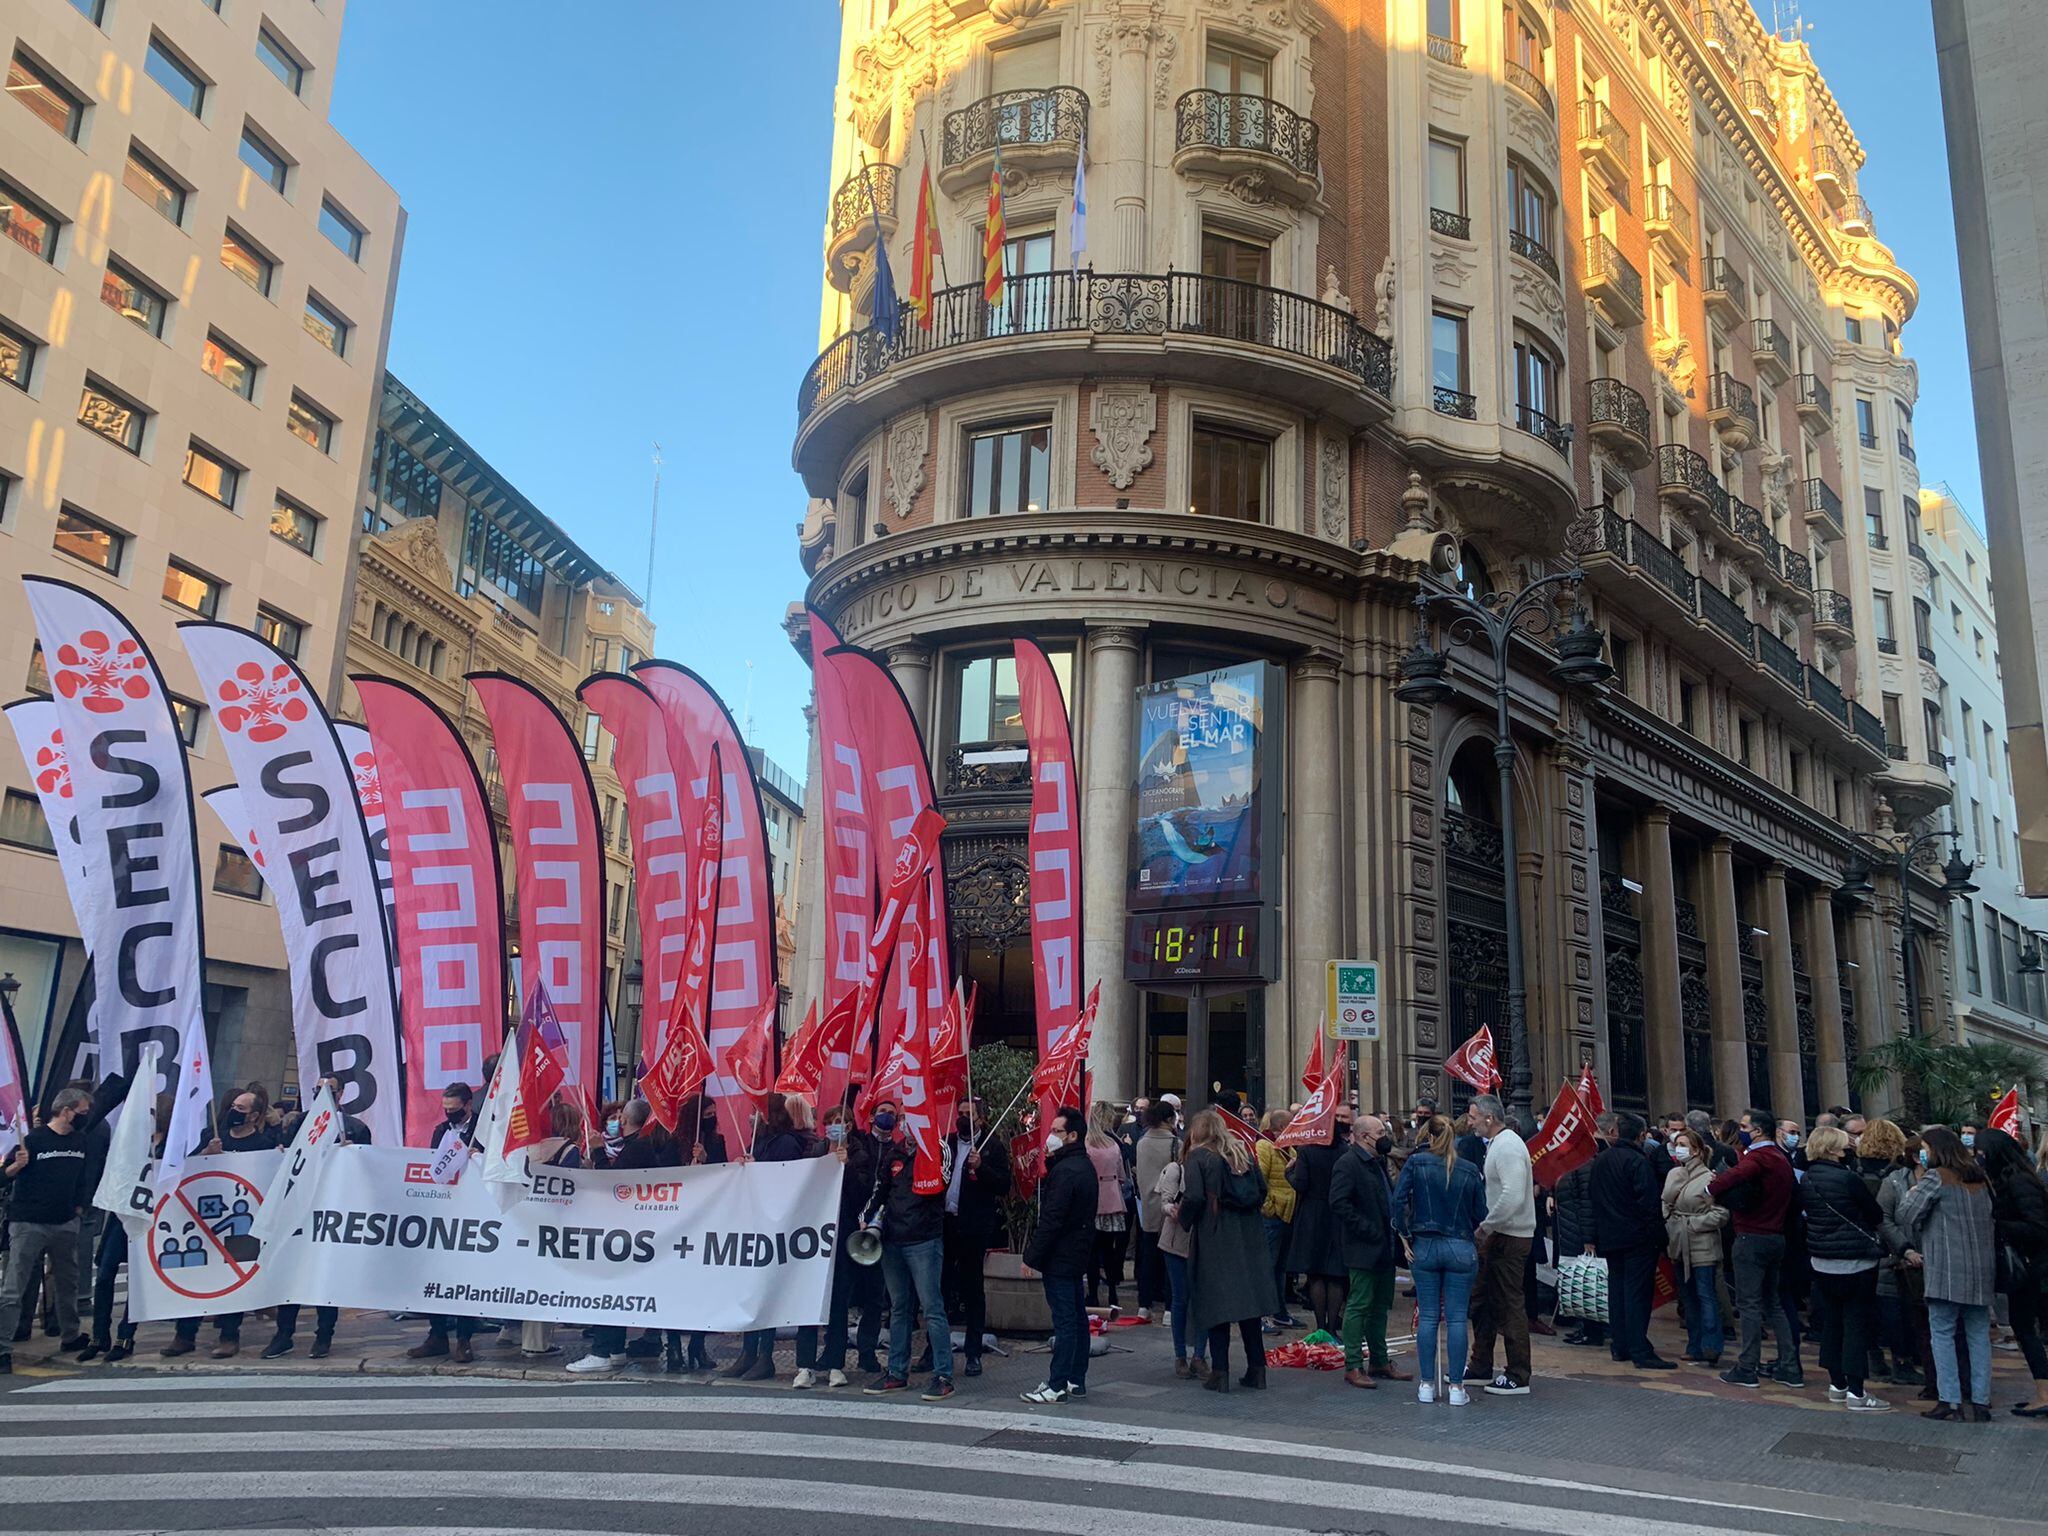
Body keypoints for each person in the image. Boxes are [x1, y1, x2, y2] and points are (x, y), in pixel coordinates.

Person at [161, 1087, 279, 1360]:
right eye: (233, 1106)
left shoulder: (263, 1145)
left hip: (240, 1224)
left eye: (241, 1109)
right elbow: (186, 1169)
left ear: (255, 1116)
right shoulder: (212, 1137)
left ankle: (229, 1336)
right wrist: (206, 1153)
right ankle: (184, 1334)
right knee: (197, 1275)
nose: (234, 1112)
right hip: (206, 1220)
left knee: (232, 1280)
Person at [262, 1077, 371, 1360]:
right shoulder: (298, 1124)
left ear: (342, 1093)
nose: (322, 1095)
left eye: (329, 1091)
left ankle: (324, 1336)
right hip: (298, 1210)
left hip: (332, 1213)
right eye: (317, 1090)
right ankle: (283, 1334)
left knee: (325, 1275)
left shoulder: (355, 1128)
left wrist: (353, 1153)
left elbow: (368, 1168)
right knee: (291, 1273)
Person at [1898, 1126, 1997, 1422]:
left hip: (1946, 1268)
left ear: (1936, 1150)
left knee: (1941, 1333)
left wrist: (1914, 1192)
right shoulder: (1980, 1178)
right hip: (1981, 1268)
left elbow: (1906, 1216)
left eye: (1925, 1148)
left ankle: (1950, 1400)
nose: (1923, 1154)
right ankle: (1981, 1401)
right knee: (1978, 1334)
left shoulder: (1935, 1177)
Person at [1177, 1108, 1277, 1392]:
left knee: (1215, 1305)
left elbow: (1194, 1196)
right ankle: (1257, 1370)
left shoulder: (1198, 1157)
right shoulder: (1242, 1154)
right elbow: (1261, 1191)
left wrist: (1181, 1218)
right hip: (1249, 1238)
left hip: (1215, 1236)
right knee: (1249, 1308)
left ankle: (1220, 1372)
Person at [864, 1098, 954, 1401]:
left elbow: (941, 1183)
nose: (905, 1124)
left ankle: (943, 1375)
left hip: (924, 1240)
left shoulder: (939, 1149)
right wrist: (866, 1219)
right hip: (892, 1240)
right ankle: (897, 1372)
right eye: (904, 1119)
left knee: (932, 1308)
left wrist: (928, 1149)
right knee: (899, 1308)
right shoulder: (895, 1153)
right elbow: (880, 1190)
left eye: (910, 1118)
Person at [0, 1086, 95, 1373]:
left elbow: (83, 1177)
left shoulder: (80, 1141)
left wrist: (79, 1206)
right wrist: (16, 1166)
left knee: (68, 1282)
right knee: (14, 1287)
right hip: (29, 1222)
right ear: (66, 1111)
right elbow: (3, 1178)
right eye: (81, 1112)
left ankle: (70, 1334)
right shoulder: (32, 1140)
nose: (84, 1117)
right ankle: (3, 1346)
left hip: (65, 1221)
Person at [1391, 1113, 1484, 1404]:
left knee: (1429, 1317)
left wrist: (1404, 1234)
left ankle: (1427, 1384)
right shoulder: (1468, 1169)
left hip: (1425, 1244)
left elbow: (1397, 1201)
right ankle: (1457, 1387)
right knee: (1457, 1319)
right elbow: (1482, 1212)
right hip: (1460, 1245)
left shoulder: (1417, 1163)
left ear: (1428, 1136)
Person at [1708, 1106, 1800, 1388]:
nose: (1742, 1132)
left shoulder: (1759, 1157)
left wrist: (1712, 1188)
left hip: (1752, 1237)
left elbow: (1732, 1177)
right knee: (1773, 1304)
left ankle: (1747, 1367)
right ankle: (1790, 1366)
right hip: (1776, 1236)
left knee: (1749, 1304)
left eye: (1745, 1128)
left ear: (1758, 1131)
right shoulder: (1781, 1159)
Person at [1801, 1124, 1890, 1410]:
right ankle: (1857, 1390)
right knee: (1855, 1323)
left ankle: (1836, 1383)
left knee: (1832, 1322)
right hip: (1854, 1260)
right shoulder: (1848, 1179)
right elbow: (1874, 1213)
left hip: (1822, 1259)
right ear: (1833, 1149)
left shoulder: (1807, 1178)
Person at [1590, 1111, 1675, 1371]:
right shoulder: (1638, 1162)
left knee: (1617, 1292)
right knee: (1637, 1294)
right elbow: (1649, 1203)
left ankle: (1620, 1344)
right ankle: (1639, 1349)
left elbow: (1594, 1199)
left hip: (1611, 1237)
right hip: (1637, 1238)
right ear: (1641, 1136)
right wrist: (1659, 1238)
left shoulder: (1600, 1160)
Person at [1022, 1105, 1095, 1404]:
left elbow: (1052, 1218)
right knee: (1076, 1317)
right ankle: (1075, 1379)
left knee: (1066, 1320)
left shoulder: (1067, 1171)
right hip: (1076, 1252)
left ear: (1072, 1135)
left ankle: (1057, 1384)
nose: (1050, 1136)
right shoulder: (1082, 1165)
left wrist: (1032, 1256)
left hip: (1062, 1255)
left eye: (1056, 1132)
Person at [1464, 1093, 1535, 1395]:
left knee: (1509, 1305)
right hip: (1500, 1235)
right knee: (1483, 1301)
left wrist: (1487, 1226)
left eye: (1473, 1117)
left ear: (1488, 1118)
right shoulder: (1499, 1145)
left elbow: (1513, 1193)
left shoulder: (1507, 1146)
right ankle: (1480, 1364)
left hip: (1508, 1235)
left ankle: (1518, 1374)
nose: (1470, 1122)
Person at [1330, 1113, 1408, 1389]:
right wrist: (1367, 1229)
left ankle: (1380, 1359)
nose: (1384, 1138)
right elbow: (1339, 1202)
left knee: (1379, 1306)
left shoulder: (1377, 1162)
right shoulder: (1349, 1164)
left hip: (1384, 1246)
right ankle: (1353, 1364)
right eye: (1379, 1133)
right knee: (1359, 1305)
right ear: (1363, 1136)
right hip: (1364, 1247)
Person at [1977, 1126, 2048, 1416]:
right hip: (2029, 1266)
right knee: (2025, 1329)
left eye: (1981, 1152)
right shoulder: (2009, 1178)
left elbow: (2038, 1226)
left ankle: (2044, 1394)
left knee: (2026, 1328)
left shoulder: (2018, 1181)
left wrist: (1997, 1227)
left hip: (2032, 1267)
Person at [409, 1083, 481, 1363]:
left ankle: (464, 1339)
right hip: (445, 1209)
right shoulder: (441, 1131)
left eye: (454, 1110)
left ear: (467, 1105)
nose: (449, 1114)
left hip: (473, 1211)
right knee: (437, 1275)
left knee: (465, 1280)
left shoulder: (482, 1130)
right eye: (446, 1109)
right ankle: (437, 1334)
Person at [943, 1097, 1010, 1379]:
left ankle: (973, 1353)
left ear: (981, 1119)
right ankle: (935, 1350)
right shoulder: (947, 1141)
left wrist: (981, 1167)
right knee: (941, 1288)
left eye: (969, 1114)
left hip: (974, 1227)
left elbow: (1004, 1185)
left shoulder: (992, 1146)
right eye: (960, 1113)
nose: (963, 1118)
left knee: (973, 1290)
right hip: (946, 1223)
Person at [818, 1103, 881, 1385]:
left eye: (841, 1120)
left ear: (849, 1126)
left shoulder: (859, 1154)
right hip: (817, 1234)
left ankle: (837, 1356)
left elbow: (861, 1194)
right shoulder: (816, 1152)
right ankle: (822, 1352)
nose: (836, 1125)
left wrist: (848, 1168)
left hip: (844, 1232)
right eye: (831, 1121)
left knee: (841, 1297)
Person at [1661, 1123, 1729, 1367]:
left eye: (1683, 1146)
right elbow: (1665, 1203)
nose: (1678, 1149)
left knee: (1705, 1294)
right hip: (1678, 1244)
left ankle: (1711, 1345)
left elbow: (1721, 1213)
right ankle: (1694, 1344)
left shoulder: (1710, 1178)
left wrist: (1693, 1225)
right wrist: (1671, 1222)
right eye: (1676, 1145)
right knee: (1687, 1297)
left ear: (1697, 1150)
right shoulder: (1674, 1174)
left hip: (1702, 1245)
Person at [1286, 1105, 1352, 1337]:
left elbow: (1301, 1184)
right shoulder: (1345, 1150)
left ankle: (1321, 1326)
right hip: (1337, 1214)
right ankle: (1333, 1328)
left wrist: (1288, 1174)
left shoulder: (1307, 1151)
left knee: (1315, 1273)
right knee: (1335, 1273)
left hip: (1313, 1214)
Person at [1149, 1135, 1206, 1379]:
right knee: (1181, 1299)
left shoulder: (1210, 1169)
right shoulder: (1176, 1169)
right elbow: (1165, 1201)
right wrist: (1173, 1209)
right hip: (1177, 1242)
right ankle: (1180, 1355)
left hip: (1203, 1243)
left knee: (1202, 1300)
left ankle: (1200, 1355)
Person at [1551, 1120, 1607, 1349]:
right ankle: (1584, 1328)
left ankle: (1592, 1331)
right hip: (1570, 1231)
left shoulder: (1585, 1165)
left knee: (1586, 1283)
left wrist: (1588, 1239)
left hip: (1579, 1234)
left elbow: (1586, 1203)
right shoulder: (1573, 1165)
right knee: (1578, 1282)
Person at [1132, 1100, 1178, 1325]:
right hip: (1169, 1207)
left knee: (1148, 1257)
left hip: (1148, 1205)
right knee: (1170, 1258)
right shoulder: (1174, 1143)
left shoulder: (1142, 1142)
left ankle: (1144, 1305)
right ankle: (1169, 1309)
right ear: (1169, 1119)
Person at [1254, 1111, 1300, 1329]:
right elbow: (1260, 1176)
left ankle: (1279, 1311)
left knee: (1281, 1267)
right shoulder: (1264, 1145)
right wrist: (1268, 1207)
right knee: (1268, 1265)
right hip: (1273, 1214)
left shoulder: (1287, 1146)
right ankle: (1262, 1314)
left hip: (1286, 1213)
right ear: (1282, 1125)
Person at [1084, 1105, 1130, 1310]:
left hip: (1093, 1200)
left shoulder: (1087, 1145)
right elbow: (1122, 1175)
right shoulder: (1114, 1144)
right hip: (1112, 1198)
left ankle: (1093, 1294)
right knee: (1109, 1250)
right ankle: (1112, 1293)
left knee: (1092, 1252)